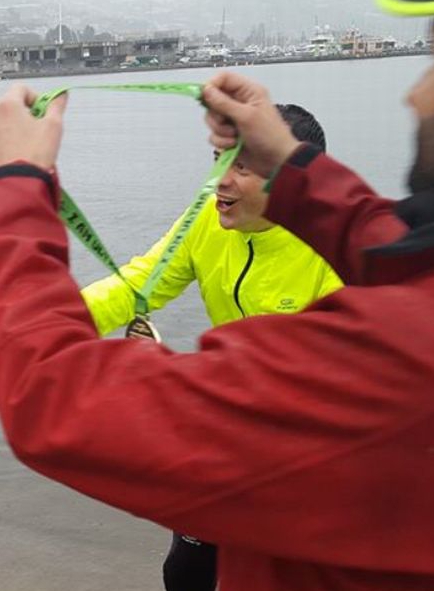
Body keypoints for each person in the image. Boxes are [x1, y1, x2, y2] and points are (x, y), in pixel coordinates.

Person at [0, 0, 434, 588]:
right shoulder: (419, 274)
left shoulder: (413, 355)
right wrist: (290, 170)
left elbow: (53, 398)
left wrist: (17, 187)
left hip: (258, 455)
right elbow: (137, 283)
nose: (416, 95)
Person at [79, 106, 340, 591]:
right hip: (226, 440)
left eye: (240, 166)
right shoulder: (207, 218)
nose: (220, 180)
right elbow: (138, 283)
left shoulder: (336, 250)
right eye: (218, 159)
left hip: (306, 460)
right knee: (186, 571)